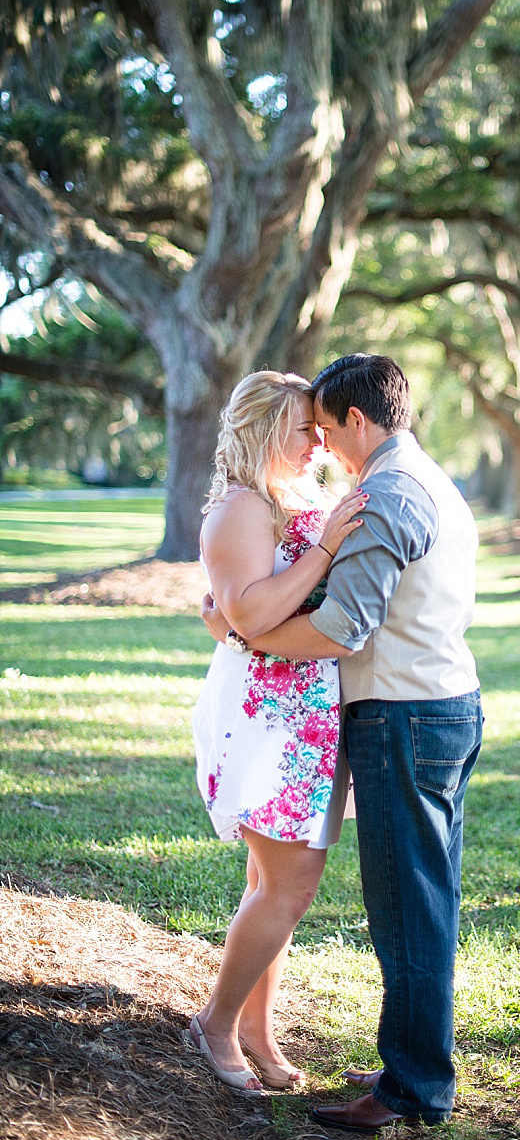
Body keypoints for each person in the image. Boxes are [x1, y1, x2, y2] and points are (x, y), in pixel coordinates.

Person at [202, 354, 483, 1130]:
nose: (321, 446)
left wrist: (243, 633)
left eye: (325, 429)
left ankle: (413, 1084)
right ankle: (409, 1062)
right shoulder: (416, 477)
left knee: (408, 908)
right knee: (413, 897)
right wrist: (239, 621)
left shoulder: (386, 492)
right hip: (417, 707)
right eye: (306, 432)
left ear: (358, 420)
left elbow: (337, 626)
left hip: (405, 715)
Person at [189, 370, 366, 1096]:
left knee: (274, 883)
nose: (318, 442)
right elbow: (252, 615)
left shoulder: (291, 500)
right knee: (287, 886)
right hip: (268, 717)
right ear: (266, 428)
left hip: (306, 712)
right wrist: (323, 551)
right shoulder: (240, 508)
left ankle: (258, 1030)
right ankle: (215, 1023)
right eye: (304, 429)